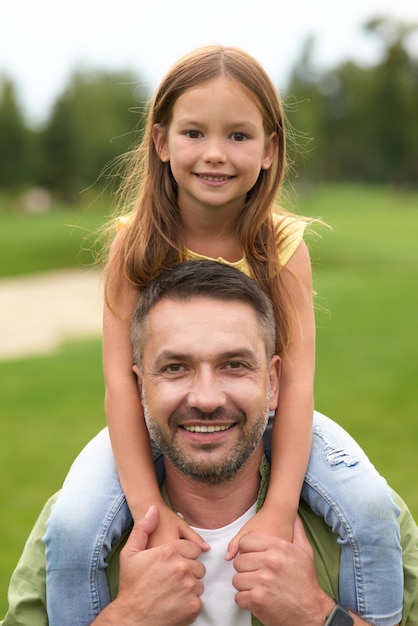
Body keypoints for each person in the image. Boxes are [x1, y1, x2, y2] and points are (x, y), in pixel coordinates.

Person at [43, 46, 403, 625]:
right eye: (193, 133)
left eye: (238, 136)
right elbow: (120, 384)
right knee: (73, 525)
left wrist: (277, 510)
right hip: (152, 417)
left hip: (271, 410)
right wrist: (150, 513)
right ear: (161, 142)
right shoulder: (135, 245)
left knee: (369, 507)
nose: (215, 154)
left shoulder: (282, 247)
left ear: (270, 150)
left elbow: (298, 384)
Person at [2, 261, 418, 626]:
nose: (205, 398)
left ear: (274, 383)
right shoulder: (74, 527)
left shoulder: (367, 516)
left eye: (234, 365)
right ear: (139, 387)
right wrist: (128, 618)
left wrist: (316, 615)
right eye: (175, 367)